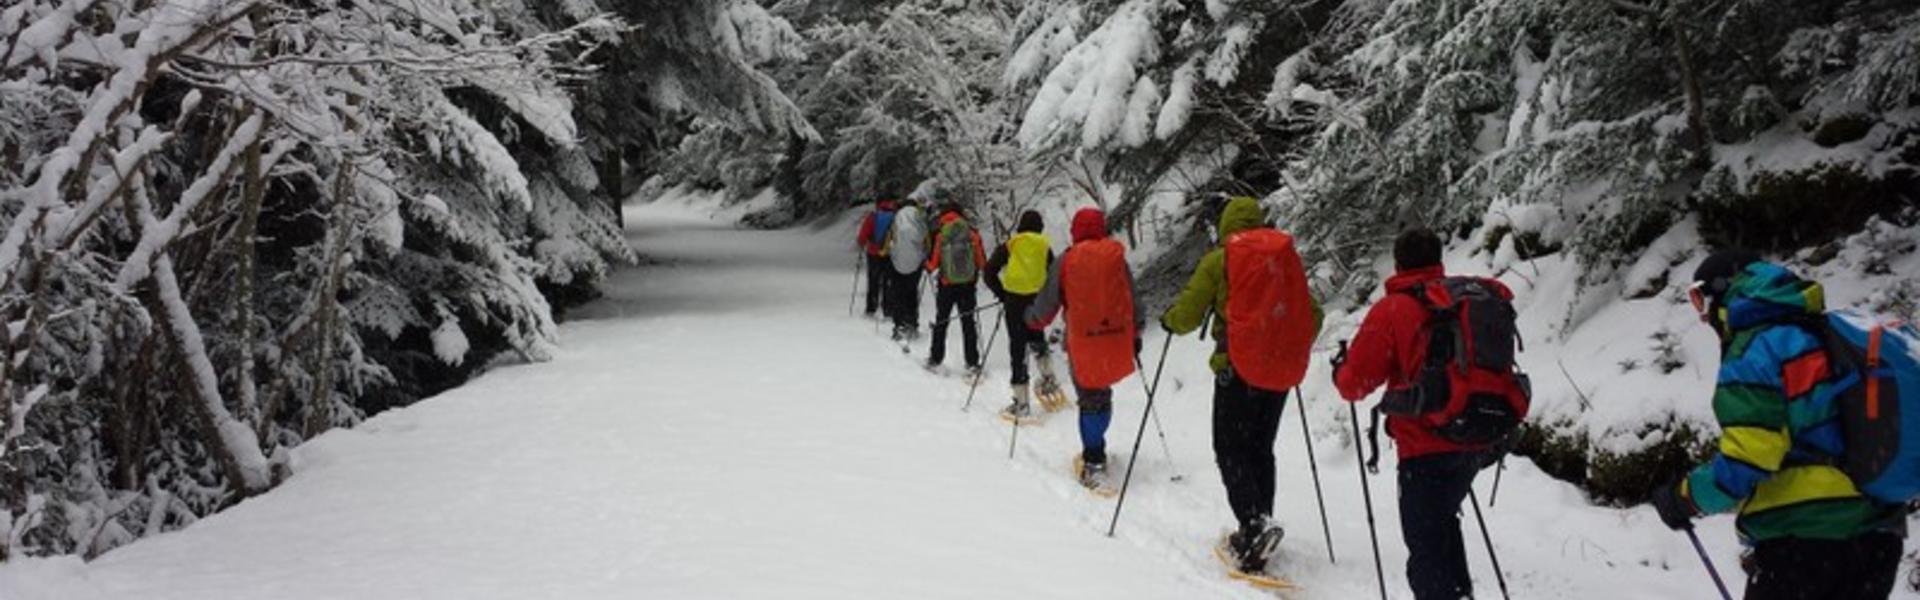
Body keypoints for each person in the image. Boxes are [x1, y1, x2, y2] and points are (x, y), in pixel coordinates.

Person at [1648, 250, 1904, 600]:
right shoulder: (1826, 334)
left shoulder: (1757, 350)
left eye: (1702, 299)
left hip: (1806, 544)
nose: (1705, 316)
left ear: (1724, 291)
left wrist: (1684, 498)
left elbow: (1748, 459)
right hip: (1876, 539)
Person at [1160, 196, 1321, 573]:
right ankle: (1262, 521)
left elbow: (1188, 314)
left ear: (1226, 225)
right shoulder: (1282, 259)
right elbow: (1312, 313)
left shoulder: (1221, 260)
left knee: (1230, 447)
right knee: (1261, 448)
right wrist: (1282, 346)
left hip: (1239, 370)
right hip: (1278, 373)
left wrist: (1169, 321)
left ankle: (1253, 526)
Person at [1330, 227, 1491, 600]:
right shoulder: (1461, 300)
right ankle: (1457, 593)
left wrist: (1341, 370)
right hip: (1471, 434)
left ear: (1398, 263)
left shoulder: (1393, 309)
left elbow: (1354, 385)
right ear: (1438, 260)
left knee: (1426, 545)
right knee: (1443, 523)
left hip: (1424, 447)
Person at [1026, 208, 1142, 490]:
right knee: (1102, 391)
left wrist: (1030, 318)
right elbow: (1132, 297)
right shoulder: (1116, 258)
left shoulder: (1067, 260)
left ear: (1075, 230)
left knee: (1090, 397)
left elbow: (1046, 306)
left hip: (1084, 341)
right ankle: (1097, 444)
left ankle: (1094, 459)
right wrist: (1136, 331)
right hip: (1114, 339)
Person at [985, 210, 1060, 418]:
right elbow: (1053, 275)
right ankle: (1049, 381)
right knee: (1038, 340)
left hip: (1014, 301)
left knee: (1017, 348)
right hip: (1036, 301)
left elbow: (989, 271)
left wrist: (1002, 294)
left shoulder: (1012, 244)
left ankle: (1021, 401)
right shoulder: (1044, 245)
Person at [923, 203, 986, 372]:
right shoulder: (972, 234)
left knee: (942, 321)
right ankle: (972, 361)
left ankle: (935, 358)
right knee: (968, 323)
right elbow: (981, 262)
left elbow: (934, 263)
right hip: (967, 285)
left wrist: (926, 265)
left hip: (947, 285)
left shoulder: (941, 235)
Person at [884, 198, 930, 342]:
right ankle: (912, 323)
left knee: (898, 292)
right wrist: (926, 255)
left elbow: (890, 238)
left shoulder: (897, 217)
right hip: (916, 262)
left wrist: (886, 252)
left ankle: (899, 325)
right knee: (911, 291)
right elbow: (927, 240)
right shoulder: (920, 217)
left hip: (897, 260)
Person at [854, 197, 896, 318]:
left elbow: (862, 237)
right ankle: (888, 309)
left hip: (874, 253)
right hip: (890, 254)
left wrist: (862, 244)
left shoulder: (873, 217)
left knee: (874, 281)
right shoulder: (896, 217)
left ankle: (871, 309)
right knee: (888, 282)